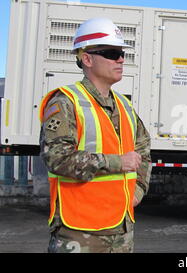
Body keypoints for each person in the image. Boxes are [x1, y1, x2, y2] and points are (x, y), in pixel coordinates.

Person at [39, 17, 152, 253]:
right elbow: (57, 158)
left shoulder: (124, 105)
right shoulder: (66, 102)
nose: (121, 59)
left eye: (122, 53)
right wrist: (117, 162)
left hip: (121, 231)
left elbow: (143, 148)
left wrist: (138, 190)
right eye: (111, 53)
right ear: (87, 58)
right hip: (80, 234)